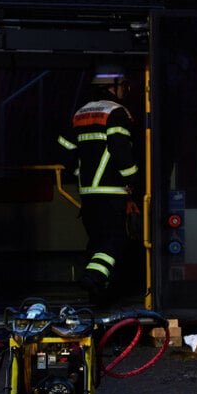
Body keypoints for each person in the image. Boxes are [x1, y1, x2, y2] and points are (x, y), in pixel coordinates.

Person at [57, 65, 139, 306]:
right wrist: (132, 179)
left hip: (88, 194)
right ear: (112, 86)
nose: (125, 90)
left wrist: (79, 173)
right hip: (112, 192)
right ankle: (93, 278)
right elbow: (120, 150)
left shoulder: (80, 113)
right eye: (123, 85)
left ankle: (98, 294)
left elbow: (64, 150)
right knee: (114, 241)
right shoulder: (117, 113)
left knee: (97, 241)